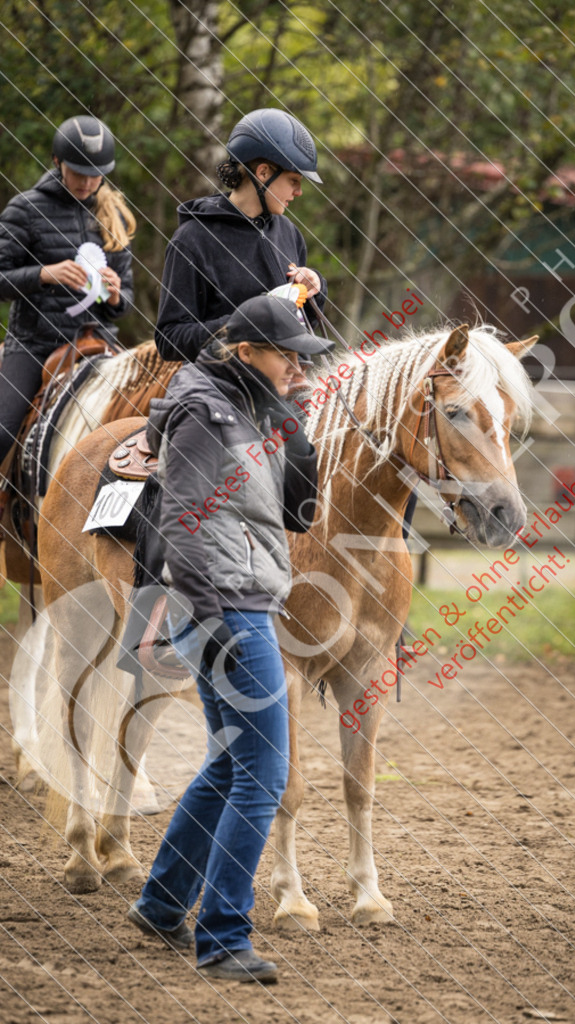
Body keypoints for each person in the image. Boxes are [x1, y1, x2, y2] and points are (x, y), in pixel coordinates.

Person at [127, 294, 333, 983]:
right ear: (243, 352)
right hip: (224, 606)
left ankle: (160, 904)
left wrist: (293, 426)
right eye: (284, 357)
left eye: (299, 360)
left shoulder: (245, 405)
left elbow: (294, 512)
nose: (294, 369)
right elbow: (185, 518)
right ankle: (221, 937)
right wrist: (214, 617)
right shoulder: (205, 412)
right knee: (264, 775)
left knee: (229, 763)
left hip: (233, 599)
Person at [0, 114, 135, 467]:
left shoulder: (114, 216)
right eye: (79, 172)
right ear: (58, 162)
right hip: (35, 346)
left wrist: (116, 294)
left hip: (98, 344)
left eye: (97, 174)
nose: (89, 182)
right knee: (2, 429)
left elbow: (125, 301)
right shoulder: (25, 209)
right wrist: (44, 274)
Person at [154, 108, 327, 364]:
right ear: (264, 172)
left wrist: (315, 289)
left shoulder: (289, 233)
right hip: (225, 393)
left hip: (289, 387)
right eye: (293, 180)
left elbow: (298, 324)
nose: (299, 192)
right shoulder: (191, 240)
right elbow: (170, 340)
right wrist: (246, 321)